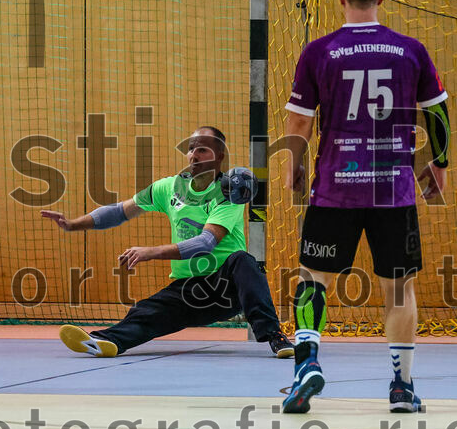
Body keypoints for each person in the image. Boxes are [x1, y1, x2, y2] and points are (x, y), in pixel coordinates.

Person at [281, 0, 450, 413]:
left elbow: (299, 120)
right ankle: (401, 387)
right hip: (392, 190)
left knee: (313, 278)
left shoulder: (319, 51)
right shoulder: (410, 49)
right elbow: (436, 113)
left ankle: (307, 363)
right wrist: (440, 165)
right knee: (399, 289)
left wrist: (292, 165)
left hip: (335, 188)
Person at [42, 126, 294, 358]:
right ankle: (107, 341)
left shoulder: (227, 194)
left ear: (219, 156)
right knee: (147, 310)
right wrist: (73, 224)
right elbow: (120, 211)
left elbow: (205, 243)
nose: (194, 154)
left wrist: (150, 252)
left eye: (202, 149)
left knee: (243, 260)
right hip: (190, 291)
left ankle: (275, 336)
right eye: (191, 148)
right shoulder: (169, 187)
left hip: (227, 288)